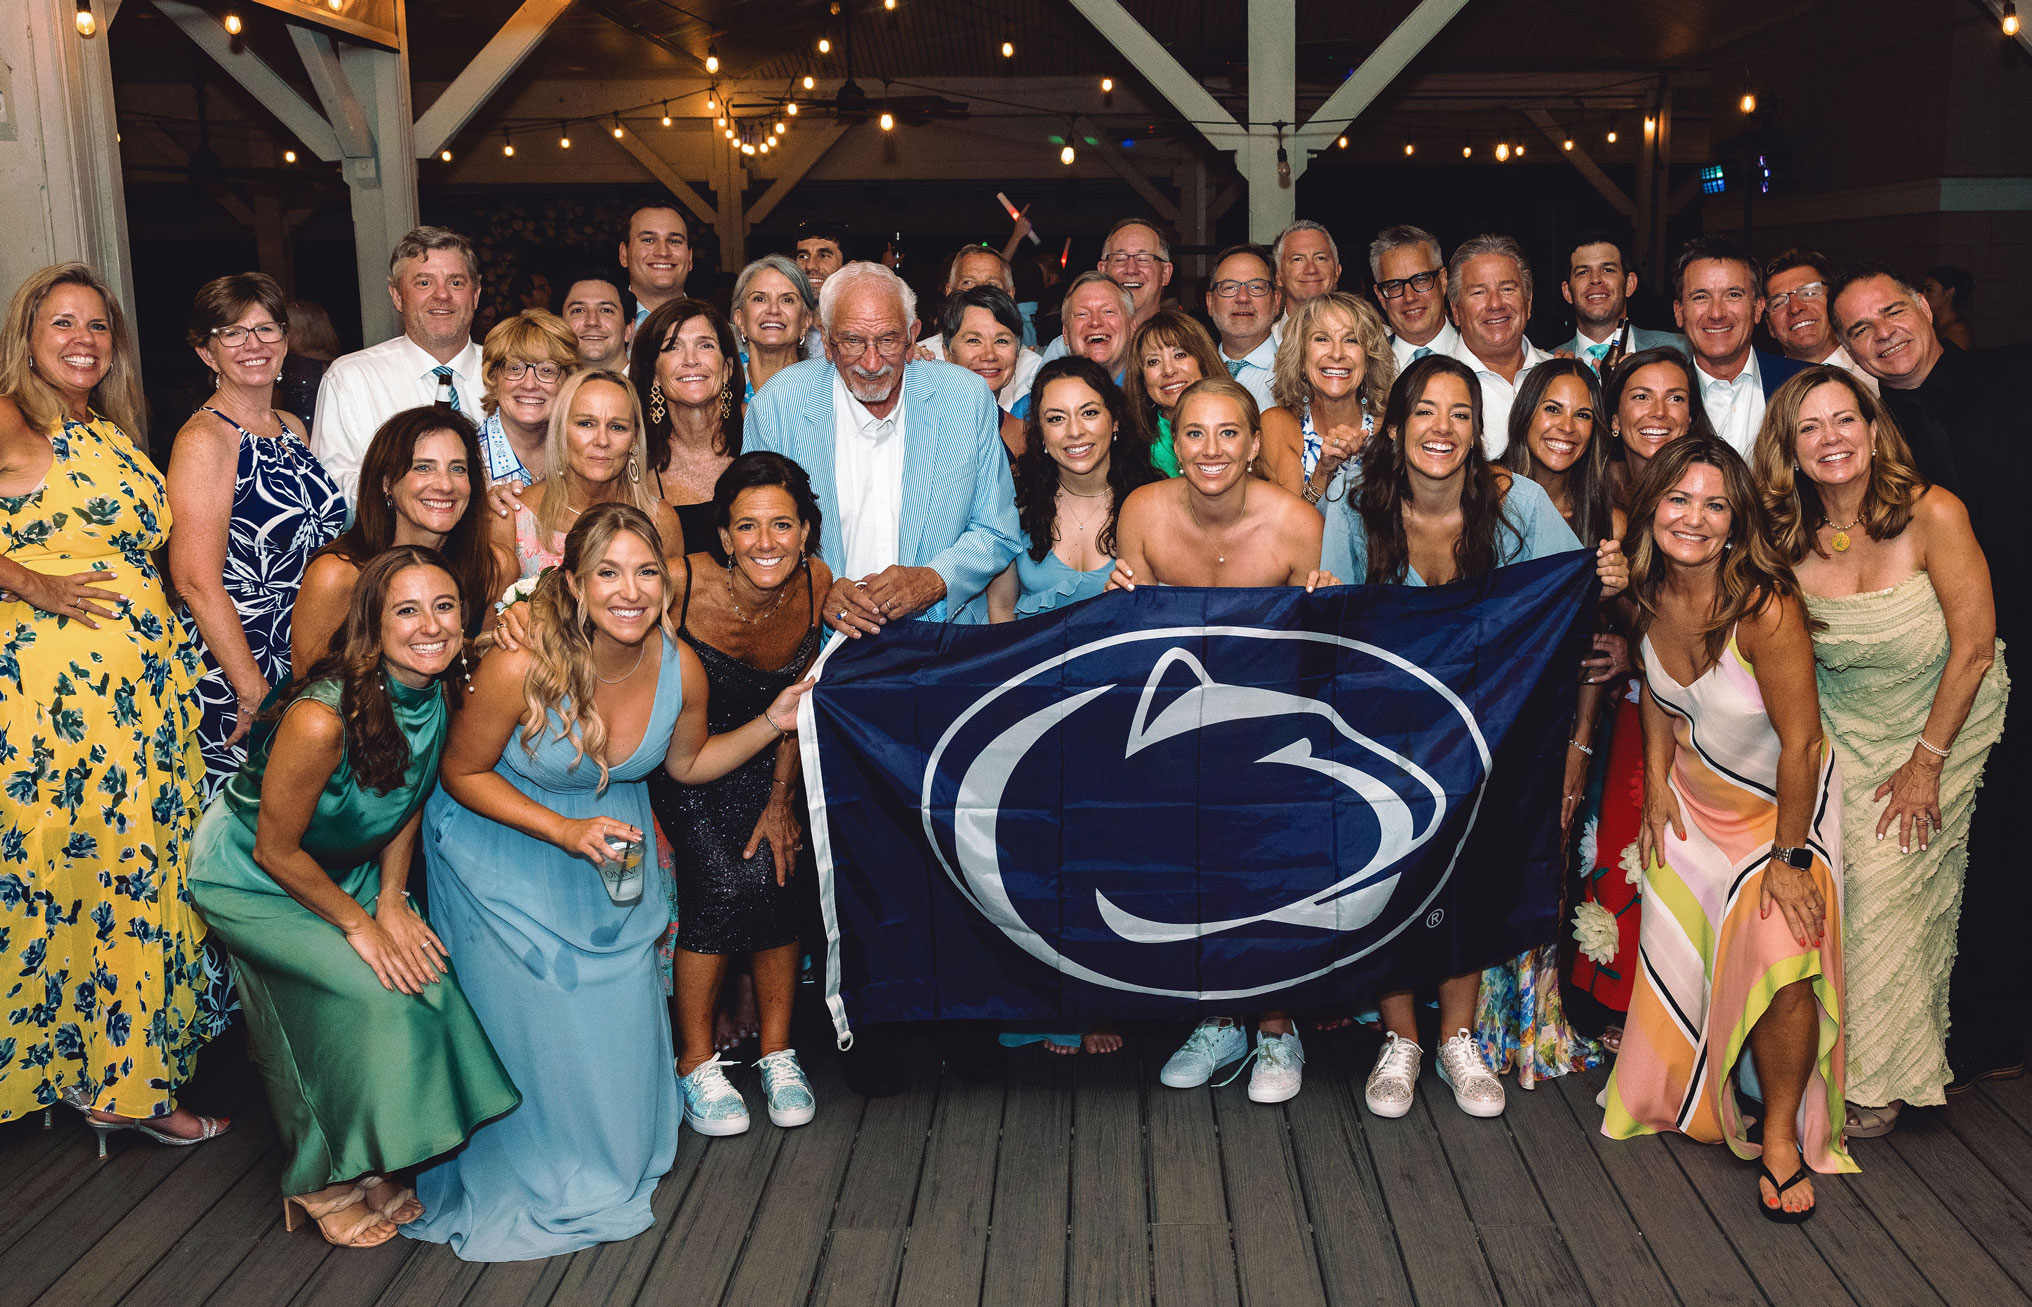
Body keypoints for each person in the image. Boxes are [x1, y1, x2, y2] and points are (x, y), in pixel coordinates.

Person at [408, 505, 810, 1259]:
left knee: (620, 1060)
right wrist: (564, 830)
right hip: (502, 852)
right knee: (550, 1017)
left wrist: (772, 719)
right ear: (575, 583)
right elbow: (459, 772)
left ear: (666, 581)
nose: (630, 590)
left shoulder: (678, 665)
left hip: (610, 852)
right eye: (609, 572)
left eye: (647, 571)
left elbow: (687, 763)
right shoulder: (521, 663)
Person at [1316, 355, 1620, 1120]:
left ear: (1478, 432)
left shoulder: (1514, 502)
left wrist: (1605, 580)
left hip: (1489, 731)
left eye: (1459, 414)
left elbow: (1569, 594)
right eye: (1424, 411)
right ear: (1395, 425)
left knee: (1468, 876)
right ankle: (1401, 1040)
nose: (1441, 429)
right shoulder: (1354, 503)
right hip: (1383, 731)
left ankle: (1457, 1038)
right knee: (1387, 876)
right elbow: (1337, 627)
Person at [190, 547, 519, 1248]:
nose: (429, 624)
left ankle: (369, 1162)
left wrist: (394, 898)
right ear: (372, 625)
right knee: (368, 993)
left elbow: (405, 795)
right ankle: (317, 1180)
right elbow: (275, 849)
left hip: (350, 863)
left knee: (425, 985)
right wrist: (358, 925)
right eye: (407, 609)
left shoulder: (440, 685)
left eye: (444, 606)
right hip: (252, 872)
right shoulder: (320, 716)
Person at [0, 262, 229, 1141]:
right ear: (28, 335)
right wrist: (30, 580)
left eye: (97, 326)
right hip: (58, 696)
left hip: (138, 694)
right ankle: (124, 1090)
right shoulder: (14, 418)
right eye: (63, 323)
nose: (82, 340)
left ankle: (102, 1075)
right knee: (92, 873)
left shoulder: (102, 427)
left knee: (118, 874)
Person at [1604, 431, 1855, 1223]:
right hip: (1693, 801)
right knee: (1680, 934)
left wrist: (1789, 856)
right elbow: (1651, 691)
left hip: (1783, 807)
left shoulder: (1764, 607)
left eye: (1715, 504)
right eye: (1678, 499)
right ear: (1652, 510)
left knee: (1785, 951)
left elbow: (1805, 742)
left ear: (1736, 518)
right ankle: (1680, 1089)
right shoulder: (1644, 589)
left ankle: (1779, 1136)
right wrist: (1652, 790)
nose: (1694, 518)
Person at [1752, 365, 2006, 1136]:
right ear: (1790, 452)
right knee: (1832, 879)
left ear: (1872, 430)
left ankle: (1877, 1077)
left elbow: (1974, 649)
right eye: (1811, 428)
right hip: (1846, 727)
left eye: (1845, 421)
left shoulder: (1934, 513)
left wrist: (1927, 761)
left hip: (1945, 714)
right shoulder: (1785, 538)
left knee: (1888, 875)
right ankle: (1824, 1058)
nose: (1833, 439)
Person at [1107, 376, 1336, 1104]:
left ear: (1252, 445)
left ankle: (1275, 1024)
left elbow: (1326, 654)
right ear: (1174, 444)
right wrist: (1116, 601)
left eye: (1228, 433)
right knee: (1193, 878)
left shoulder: (1297, 522)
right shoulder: (1142, 509)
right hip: (1179, 733)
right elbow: (1131, 649)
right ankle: (1218, 1017)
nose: (1211, 449)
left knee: (1271, 871)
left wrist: (1329, 607)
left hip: (1271, 726)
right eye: (1194, 433)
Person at [1831, 265, 2030, 1092]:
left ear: (1928, 307)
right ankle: (1940, 1028)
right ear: (1847, 350)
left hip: (2000, 640)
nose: (1882, 332)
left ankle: (1993, 1027)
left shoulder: (2012, 380)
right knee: (1941, 848)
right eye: (1860, 328)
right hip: (1925, 667)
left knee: (2010, 841)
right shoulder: (1868, 431)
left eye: (1892, 312)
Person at [646, 454, 833, 1132]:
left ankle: (778, 1052)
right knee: (725, 881)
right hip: (684, 762)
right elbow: (581, 595)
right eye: (746, 526)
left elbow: (799, 705)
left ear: (806, 531)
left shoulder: (816, 582)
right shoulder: (678, 581)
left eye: (782, 524)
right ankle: (694, 1060)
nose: (765, 542)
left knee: (781, 870)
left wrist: (782, 801)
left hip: (774, 760)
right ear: (722, 537)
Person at [1565, 348, 1719, 1038]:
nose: (1659, 412)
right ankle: (1615, 998)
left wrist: (1639, 637)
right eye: (1641, 397)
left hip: (1705, 699)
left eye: (1676, 397)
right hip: (1606, 700)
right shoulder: (1595, 491)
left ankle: (1688, 1005)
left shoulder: (1717, 488)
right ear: (1615, 418)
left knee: (1683, 850)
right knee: (1618, 844)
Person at [1478, 359, 1618, 1089]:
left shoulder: (1604, 517)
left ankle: (1531, 1023)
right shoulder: (1489, 492)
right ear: (1525, 414)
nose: (1565, 427)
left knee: (1547, 861)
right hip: (1485, 714)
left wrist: (1578, 749)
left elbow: (1595, 656)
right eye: (1551, 410)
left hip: (1560, 721)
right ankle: (1467, 1023)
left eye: (1582, 414)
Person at [169, 273, 349, 801]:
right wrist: (250, 688)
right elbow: (194, 580)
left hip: (304, 652)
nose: (253, 345)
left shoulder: (290, 425)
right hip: (238, 663)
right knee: (246, 824)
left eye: (266, 329)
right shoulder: (206, 439)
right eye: (233, 333)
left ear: (286, 340)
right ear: (207, 353)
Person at [294, 407, 513, 672]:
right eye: (423, 467)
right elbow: (308, 690)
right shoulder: (337, 576)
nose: (445, 485)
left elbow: (483, 678)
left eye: (457, 468)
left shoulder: (494, 568)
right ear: (386, 481)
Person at [313, 226, 483, 505]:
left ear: (475, 295)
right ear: (397, 297)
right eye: (424, 283)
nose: (442, 295)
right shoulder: (351, 379)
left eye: (455, 282)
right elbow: (332, 493)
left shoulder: (512, 377)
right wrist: (408, 493)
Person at [990, 358, 1161, 623]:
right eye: (1056, 418)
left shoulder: (1153, 501)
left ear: (1114, 420)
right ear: (1041, 432)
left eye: (1089, 413)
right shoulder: (1016, 497)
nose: (1075, 431)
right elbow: (1001, 609)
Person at [493, 368, 685, 580]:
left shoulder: (661, 522)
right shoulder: (510, 515)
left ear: (633, 440)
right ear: (560, 432)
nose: (602, 441)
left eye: (617, 427)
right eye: (586, 424)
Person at [1669, 235, 1807, 459]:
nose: (1716, 313)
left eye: (1733, 295)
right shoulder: (1660, 398)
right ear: (1679, 312)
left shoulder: (1804, 383)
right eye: (1701, 297)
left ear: (1758, 308)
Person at [631, 298, 746, 558]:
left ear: (727, 368)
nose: (691, 360)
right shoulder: (633, 453)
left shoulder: (762, 428)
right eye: (672, 348)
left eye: (705, 345)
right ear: (654, 374)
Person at [1258, 292, 1394, 506]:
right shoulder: (1278, 425)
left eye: (1351, 340)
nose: (1337, 354)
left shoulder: (1391, 425)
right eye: (1322, 339)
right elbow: (1289, 528)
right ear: (1301, 357)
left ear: (1369, 359)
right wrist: (1323, 471)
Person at [1443, 234, 1552, 457]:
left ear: (1528, 302)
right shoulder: (1431, 388)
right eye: (1479, 292)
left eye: (1507, 289)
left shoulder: (1561, 376)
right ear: (1455, 311)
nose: (1495, 304)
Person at [1039, 218, 1174, 362]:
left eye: (1144, 258)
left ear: (1165, 273)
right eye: (1119, 258)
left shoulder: (1185, 344)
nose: (1131, 269)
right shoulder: (1066, 349)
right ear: (1102, 270)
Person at [475, 309, 579, 492]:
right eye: (514, 368)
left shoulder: (582, 455)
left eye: (547, 370)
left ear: (568, 380)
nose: (529, 384)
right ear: (493, 379)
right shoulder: (465, 456)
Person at [1556, 229, 1685, 371]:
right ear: (1567, 292)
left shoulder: (1681, 352)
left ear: (1629, 284)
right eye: (1583, 272)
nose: (1595, 279)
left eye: (1608, 269)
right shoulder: (1548, 363)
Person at [1012, 273, 1132, 422]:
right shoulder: (1030, 410)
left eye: (1108, 311)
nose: (1095, 322)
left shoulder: (1156, 396)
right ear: (1066, 333)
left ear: (1132, 326)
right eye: (1082, 314)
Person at [1122, 308, 1224, 478]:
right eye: (1153, 361)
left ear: (1203, 361)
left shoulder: (1239, 424)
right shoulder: (1133, 449)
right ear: (1142, 378)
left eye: (1180, 355)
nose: (1168, 370)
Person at [1760, 250, 1875, 392]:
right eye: (1778, 303)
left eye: (1809, 293)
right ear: (1769, 326)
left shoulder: (1879, 371)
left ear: (1835, 302)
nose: (1795, 308)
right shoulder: (1763, 393)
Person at [939, 284, 1041, 422]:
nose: (989, 355)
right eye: (974, 340)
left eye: (1001, 341)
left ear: (1017, 353)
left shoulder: (1026, 432)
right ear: (948, 353)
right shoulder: (923, 421)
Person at [1205, 243, 1282, 413]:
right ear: (1210, 303)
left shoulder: (1300, 377)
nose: (1242, 297)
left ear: (1276, 301)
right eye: (1230, 287)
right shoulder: (1194, 376)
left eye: (1256, 287)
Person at [1370, 225, 1459, 369]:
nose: (1410, 297)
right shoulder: (1365, 369)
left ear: (1443, 280)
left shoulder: (1482, 354)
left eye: (1421, 280)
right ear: (1380, 296)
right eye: (1395, 285)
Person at [730, 255, 816, 402]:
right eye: (759, 299)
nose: (773, 310)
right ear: (740, 319)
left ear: (806, 321)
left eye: (787, 300)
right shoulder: (722, 382)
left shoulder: (824, 388)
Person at [619, 201, 692, 327]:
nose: (663, 252)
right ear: (624, 254)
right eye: (648, 240)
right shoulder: (600, 331)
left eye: (674, 241)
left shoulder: (725, 336)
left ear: (690, 257)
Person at [277, 297, 341, 427]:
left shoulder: (289, 365)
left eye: (285, 328)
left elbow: (272, 409)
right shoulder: (338, 364)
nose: (281, 333)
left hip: (296, 438)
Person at [1273, 220, 1343, 327]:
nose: (1311, 269)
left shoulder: (1364, 340)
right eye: (1298, 259)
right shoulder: (1261, 343)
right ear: (1278, 276)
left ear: (1337, 271)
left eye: (1320, 258)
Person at [559, 272, 634, 372]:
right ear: (559, 327)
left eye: (606, 310)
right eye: (578, 310)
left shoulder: (656, 385)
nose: (592, 321)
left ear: (628, 329)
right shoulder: (540, 385)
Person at [1919, 265, 1974, 349]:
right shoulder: (1932, 325)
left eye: (1929, 290)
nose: (1923, 295)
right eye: (1923, 290)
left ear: (1949, 292)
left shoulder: (1959, 331)